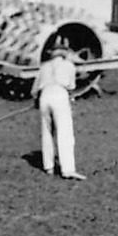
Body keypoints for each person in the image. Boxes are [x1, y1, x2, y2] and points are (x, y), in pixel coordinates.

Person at [32, 45, 83, 180]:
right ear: (64, 54)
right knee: (64, 132)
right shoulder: (69, 65)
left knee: (46, 132)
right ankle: (68, 170)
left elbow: (34, 90)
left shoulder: (44, 66)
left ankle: (48, 166)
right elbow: (71, 86)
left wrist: (37, 100)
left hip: (45, 95)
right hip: (60, 95)